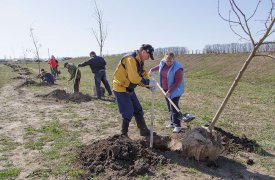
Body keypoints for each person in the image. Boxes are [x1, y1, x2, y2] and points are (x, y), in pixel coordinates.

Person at [113, 44, 157, 137]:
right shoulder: (130, 59)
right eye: (148, 56)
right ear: (143, 52)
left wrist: (149, 85)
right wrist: (148, 83)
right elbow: (134, 78)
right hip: (121, 87)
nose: (148, 58)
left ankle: (143, 130)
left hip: (129, 87)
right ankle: (123, 134)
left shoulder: (139, 60)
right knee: (128, 112)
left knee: (138, 109)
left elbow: (143, 74)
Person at [149, 52, 184, 133]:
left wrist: (169, 91)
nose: (168, 63)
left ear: (173, 60)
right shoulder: (163, 63)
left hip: (175, 89)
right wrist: (152, 70)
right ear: (164, 59)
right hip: (165, 88)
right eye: (167, 61)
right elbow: (159, 67)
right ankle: (172, 123)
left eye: (170, 61)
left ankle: (177, 126)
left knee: (174, 107)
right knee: (169, 106)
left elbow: (177, 82)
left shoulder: (178, 68)